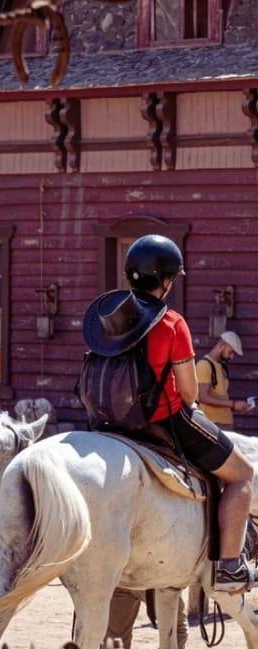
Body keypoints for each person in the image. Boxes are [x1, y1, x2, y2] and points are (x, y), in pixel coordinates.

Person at [106, 234, 257, 592]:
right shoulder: (172, 323)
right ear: (168, 279)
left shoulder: (110, 315)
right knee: (242, 475)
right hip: (163, 419)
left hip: (110, 420)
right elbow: (189, 393)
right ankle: (230, 566)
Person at [196, 331, 252, 428]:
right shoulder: (204, 365)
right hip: (213, 424)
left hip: (226, 423)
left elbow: (221, 398)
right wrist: (234, 404)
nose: (232, 356)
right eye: (231, 352)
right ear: (222, 344)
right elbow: (203, 397)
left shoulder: (221, 366)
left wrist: (238, 407)